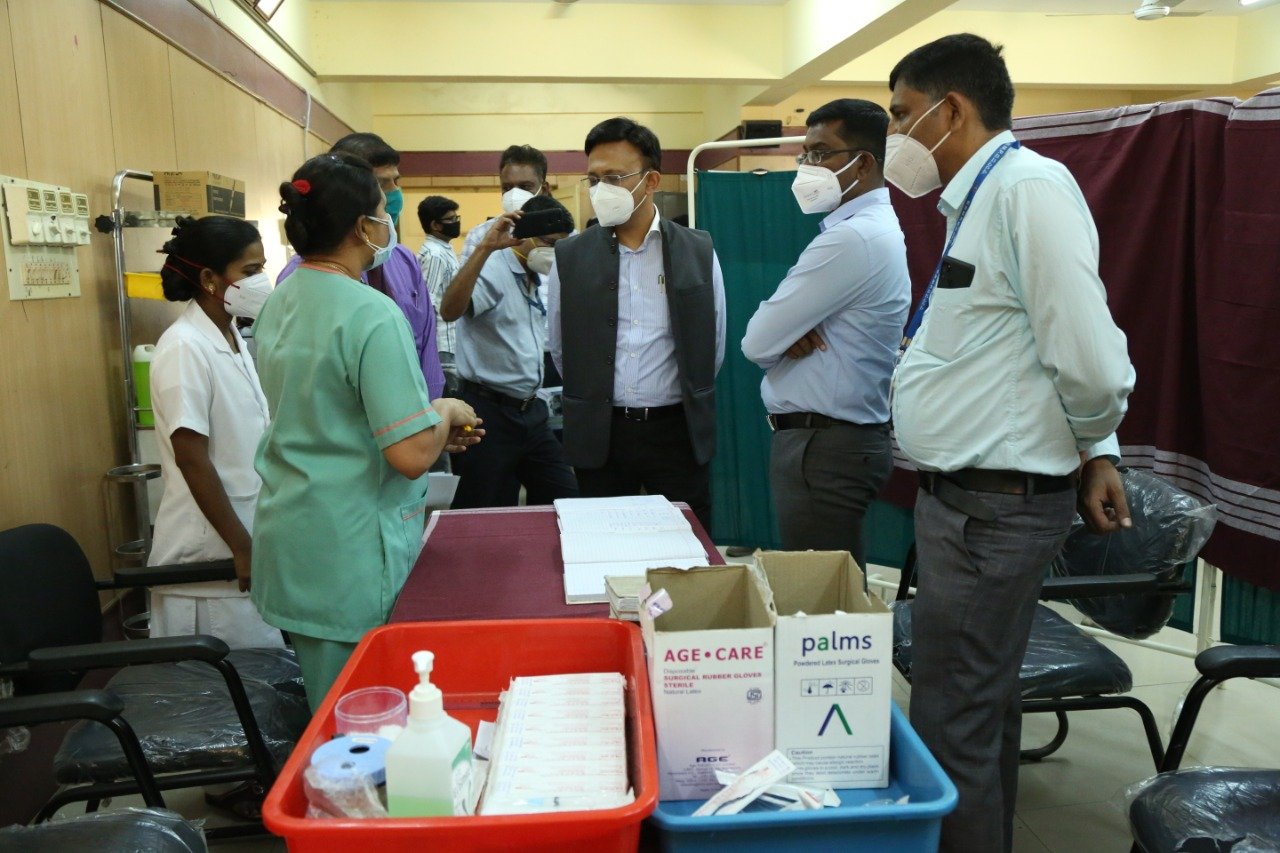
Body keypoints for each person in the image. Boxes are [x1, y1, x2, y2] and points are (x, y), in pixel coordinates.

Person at [887, 34, 1136, 852]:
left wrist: (1097, 438)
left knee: (952, 718)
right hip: (967, 504)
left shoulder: (1028, 188)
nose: (896, 136)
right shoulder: (978, 199)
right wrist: (1098, 445)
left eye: (901, 115)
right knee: (975, 712)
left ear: (950, 110)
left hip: (993, 509)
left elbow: (1089, 359)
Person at [252, 153, 483, 710]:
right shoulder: (370, 313)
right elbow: (410, 455)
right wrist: (444, 413)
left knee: (326, 704)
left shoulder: (282, 298)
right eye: (383, 208)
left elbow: (329, 412)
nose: (389, 219)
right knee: (358, 723)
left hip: (295, 532)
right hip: (349, 548)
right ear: (362, 227)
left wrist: (425, 432)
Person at [741, 99, 909, 569]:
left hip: (825, 445)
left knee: (823, 597)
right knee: (831, 587)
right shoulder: (867, 229)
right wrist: (786, 334)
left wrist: (780, 338)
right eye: (806, 154)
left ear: (864, 163)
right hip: (834, 442)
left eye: (821, 153)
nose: (807, 167)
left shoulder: (851, 238)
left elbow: (756, 341)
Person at [548, 117, 726, 531]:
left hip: (676, 431)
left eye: (614, 178)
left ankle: (670, 585)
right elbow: (561, 347)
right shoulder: (570, 257)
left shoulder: (697, 250)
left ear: (651, 181)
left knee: (685, 547)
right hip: (602, 433)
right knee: (604, 544)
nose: (601, 190)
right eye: (594, 179)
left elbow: (711, 345)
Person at [148, 215, 282, 649]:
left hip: (243, 545)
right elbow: (191, 456)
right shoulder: (184, 347)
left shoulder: (231, 338)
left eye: (262, 268)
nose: (261, 281)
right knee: (223, 685)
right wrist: (241, 545)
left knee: (261, 678)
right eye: (250, 271)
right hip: (208, 563)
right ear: (209, 279)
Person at [278, 132, 445, 400]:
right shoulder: (301, 279)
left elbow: (426, 344)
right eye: (382, 184)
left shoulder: (404, 260)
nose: (394, 193)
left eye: (396, 180)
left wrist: (433, 409)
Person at [438, 195, 578, 508]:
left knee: (565, 496)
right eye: (549, 243)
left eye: (561, 245)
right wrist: (484, 249)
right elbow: (449, 310)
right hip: (489, 413)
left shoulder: (531, 273)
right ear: (524, 236)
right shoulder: (493, 268)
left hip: (530, 411)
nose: (554, 252)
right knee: (487, 507)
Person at [416, 195, 462, 396]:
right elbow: (427, 301)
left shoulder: (444, 249)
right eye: (450, 219)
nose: (456, 222)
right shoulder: (434, 254)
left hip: (451, 340)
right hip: (442, 342)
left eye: (456, 217)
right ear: (435, 225)